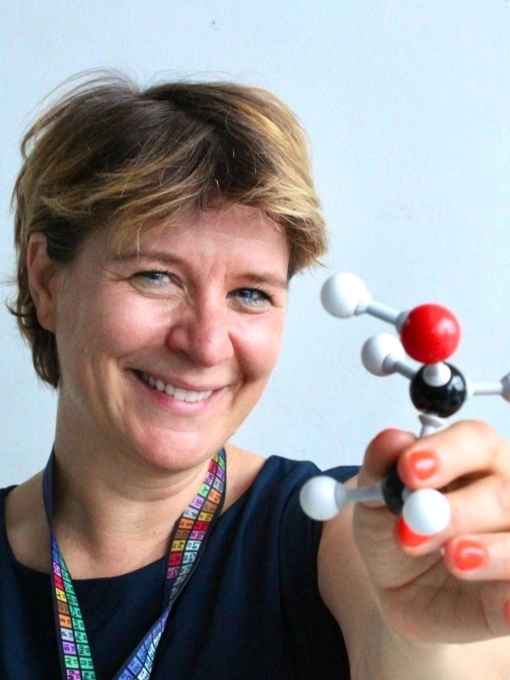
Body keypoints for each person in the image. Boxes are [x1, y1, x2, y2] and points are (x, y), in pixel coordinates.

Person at [1, 71, 510, 680]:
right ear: (47, 282)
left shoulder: (338, 534)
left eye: (249, 293)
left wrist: (426, 640)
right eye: (156, 276)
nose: (206, 344)